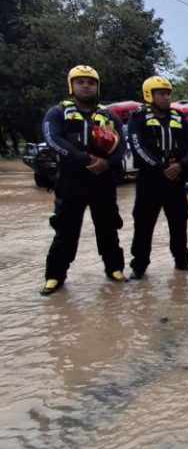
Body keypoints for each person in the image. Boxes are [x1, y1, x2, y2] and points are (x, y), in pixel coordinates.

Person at [40, 65, 126, 295]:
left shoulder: (109, 116)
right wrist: (85, 159)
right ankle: (54, 276)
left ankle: (115, 269)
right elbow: (53, 140)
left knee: (108, 228)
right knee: (66, 230)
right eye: (80, 82)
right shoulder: (57, 113)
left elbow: (122, 145)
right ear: (72, 86)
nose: (86, 86)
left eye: (91, 82)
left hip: (103, 180)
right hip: (72, 180)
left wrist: (107, 163)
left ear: (97, 86)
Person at [127, 76, 188, 279]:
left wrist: (180, 165)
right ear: (149, 95)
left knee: (179, 221)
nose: (166, 97)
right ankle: (139, 267)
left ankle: (182, 262)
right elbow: (137, 147)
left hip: (175, 179)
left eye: (168, 94)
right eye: (161, 94)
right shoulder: (138, 118)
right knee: (144, 223)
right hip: (149, 180)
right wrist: (160, 167)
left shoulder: (179, 117)